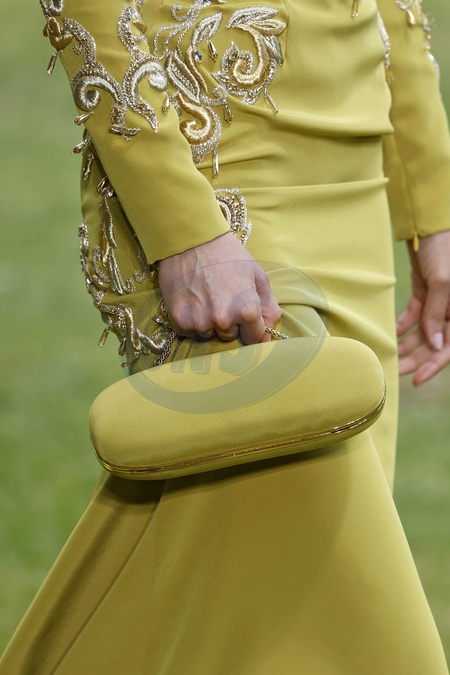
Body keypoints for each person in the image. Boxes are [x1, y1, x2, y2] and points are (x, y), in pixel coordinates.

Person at [1, 0, 450, 672]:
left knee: (282, 615)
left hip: (354, 172)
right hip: (219, 178)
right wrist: (184, 229)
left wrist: (432, 202)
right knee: (347, 611)